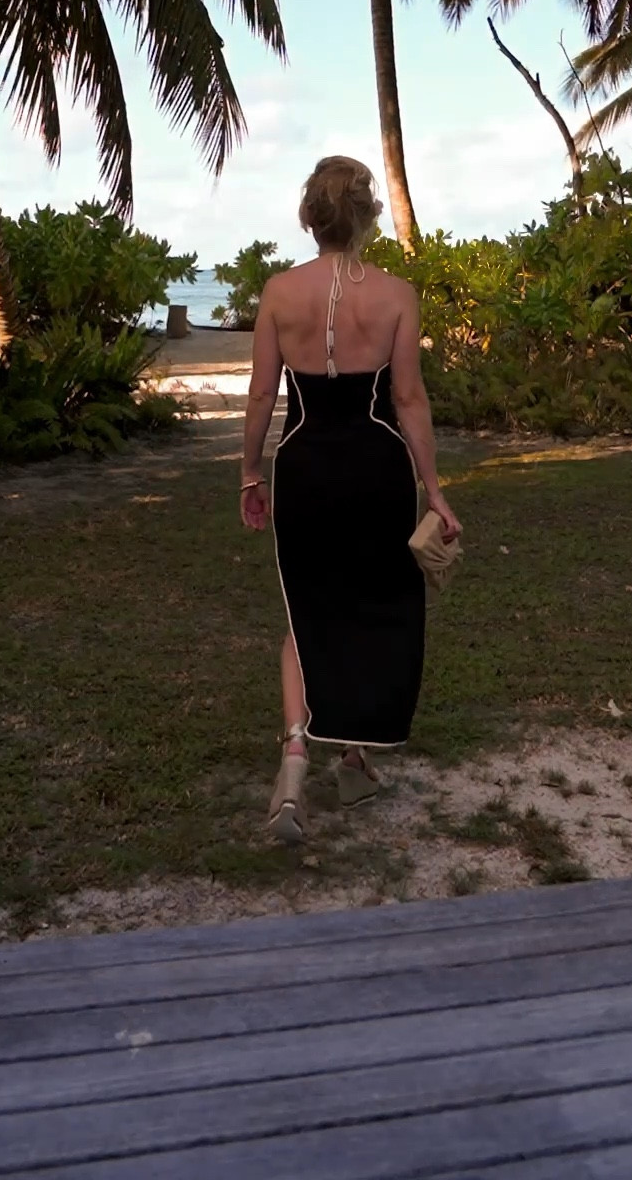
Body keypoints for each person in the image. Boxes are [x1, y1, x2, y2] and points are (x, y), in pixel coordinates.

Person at [240, 155, 462, 844]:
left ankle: (297, 763)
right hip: (377, 469)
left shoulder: (279, 292)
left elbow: (259, 395)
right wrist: (434, 489)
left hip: (305, 465)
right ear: (367, 217)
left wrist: (250, 473)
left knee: (307, 613)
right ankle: (357, 757)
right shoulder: (396, 294)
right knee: (373, 607)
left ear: (311, 218)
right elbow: (407, 398)